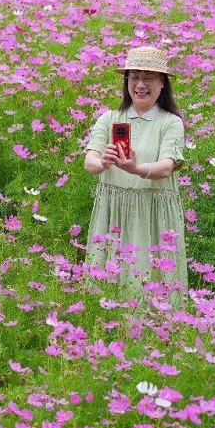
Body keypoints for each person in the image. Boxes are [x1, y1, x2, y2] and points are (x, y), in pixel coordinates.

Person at [84, 46, 188, 292]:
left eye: (149, 78)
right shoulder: (109, 118)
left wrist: (136, 168)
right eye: (135, 77)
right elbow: (90, 161)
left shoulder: (170, 123)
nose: (140, 84)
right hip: (114, 210)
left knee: (150, 279)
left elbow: (166, 167)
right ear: (127, 81)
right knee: (109, 279)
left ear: (162, 83)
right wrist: (104, 163)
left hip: (153, 213)